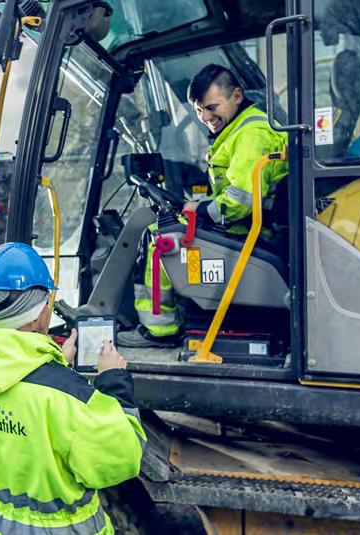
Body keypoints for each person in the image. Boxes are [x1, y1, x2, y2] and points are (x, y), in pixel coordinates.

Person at [0, 242, 146, 534]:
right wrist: (114, 379)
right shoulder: (64, 395)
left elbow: (24, 411)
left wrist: (56, 365)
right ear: (40, 311)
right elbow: (122, 458)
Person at [118, 64, 288, 348]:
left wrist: (197, 209)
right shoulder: (239, 128)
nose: (206, 118)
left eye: (211, 108)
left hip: (253, 230)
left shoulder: (251, 134)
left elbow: (239, 203)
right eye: (199, 112)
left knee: (160, 240)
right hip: (250, 225)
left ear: (236, 95)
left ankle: (159, 330)